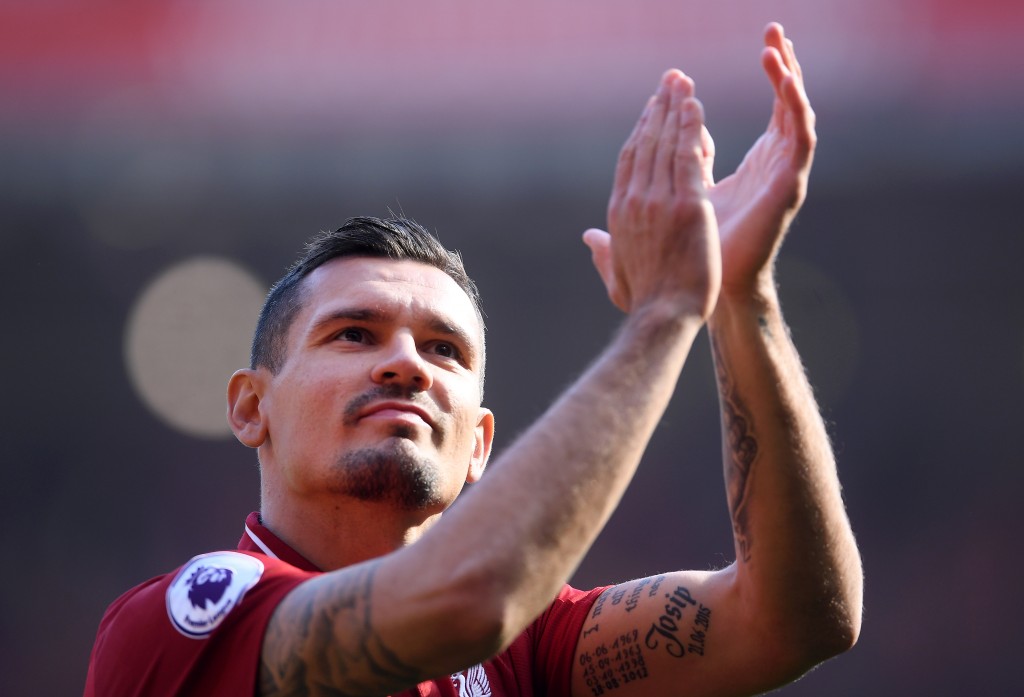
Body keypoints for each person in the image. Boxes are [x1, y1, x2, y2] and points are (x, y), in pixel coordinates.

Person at [85, 22, 862, 697]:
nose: (406, 364)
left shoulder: (530, 644)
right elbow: (467, 600)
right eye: (353, 333)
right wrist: (664, 313)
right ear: (251, 405)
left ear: (481, 444)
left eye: (444, 349)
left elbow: (794, 619)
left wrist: (741, 298)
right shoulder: (185, 620)